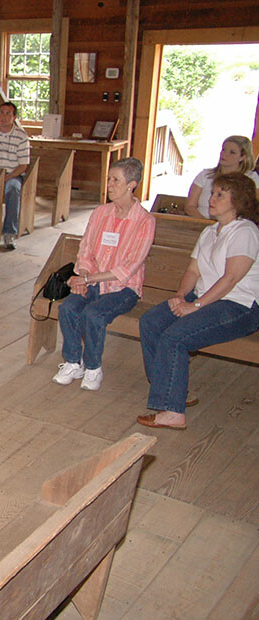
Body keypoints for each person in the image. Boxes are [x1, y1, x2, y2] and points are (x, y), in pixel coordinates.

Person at [138, 172, 259, 429]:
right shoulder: (210, 231)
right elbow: (193, 270)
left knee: (175, 337)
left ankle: (173, 411)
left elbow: (231, 279)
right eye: (212, 192)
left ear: (237, 202)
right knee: (151, 321)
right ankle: (173, 389)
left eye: (219, 195)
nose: (211, 198)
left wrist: (196, 306)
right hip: (205, 298)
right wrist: (180, 296)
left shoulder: (245, 231)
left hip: (239, 305)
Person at [52, 157, 155, 391]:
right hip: (93, 280)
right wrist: (83, 276)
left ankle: (93, 367)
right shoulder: (100, 213)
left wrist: (87, 279)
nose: (108, 184)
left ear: (132, 185)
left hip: (123, 289)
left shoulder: (145, 221)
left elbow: (128, 268)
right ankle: (72, 362)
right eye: (108, 179)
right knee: (68, 308)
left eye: (115, 180)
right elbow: (86, 249)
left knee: (93, 314)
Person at [0, 101, 30, 250]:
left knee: (13, 189)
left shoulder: (21, 137)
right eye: (1, 113)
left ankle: (9, 232)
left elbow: (23, 166)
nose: (4, 117)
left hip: (13, 174)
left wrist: (5, 179)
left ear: (14, 117)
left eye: (8, 114)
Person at [184, 135, 259, 219]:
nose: (224, 154)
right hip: (200, 225)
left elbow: (254, 209)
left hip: (234, 229)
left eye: (232, 152)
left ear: (242, 157)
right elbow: (190, 207)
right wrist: (207, 226)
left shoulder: (251, 178)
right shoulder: (205, 175)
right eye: (223, 150)